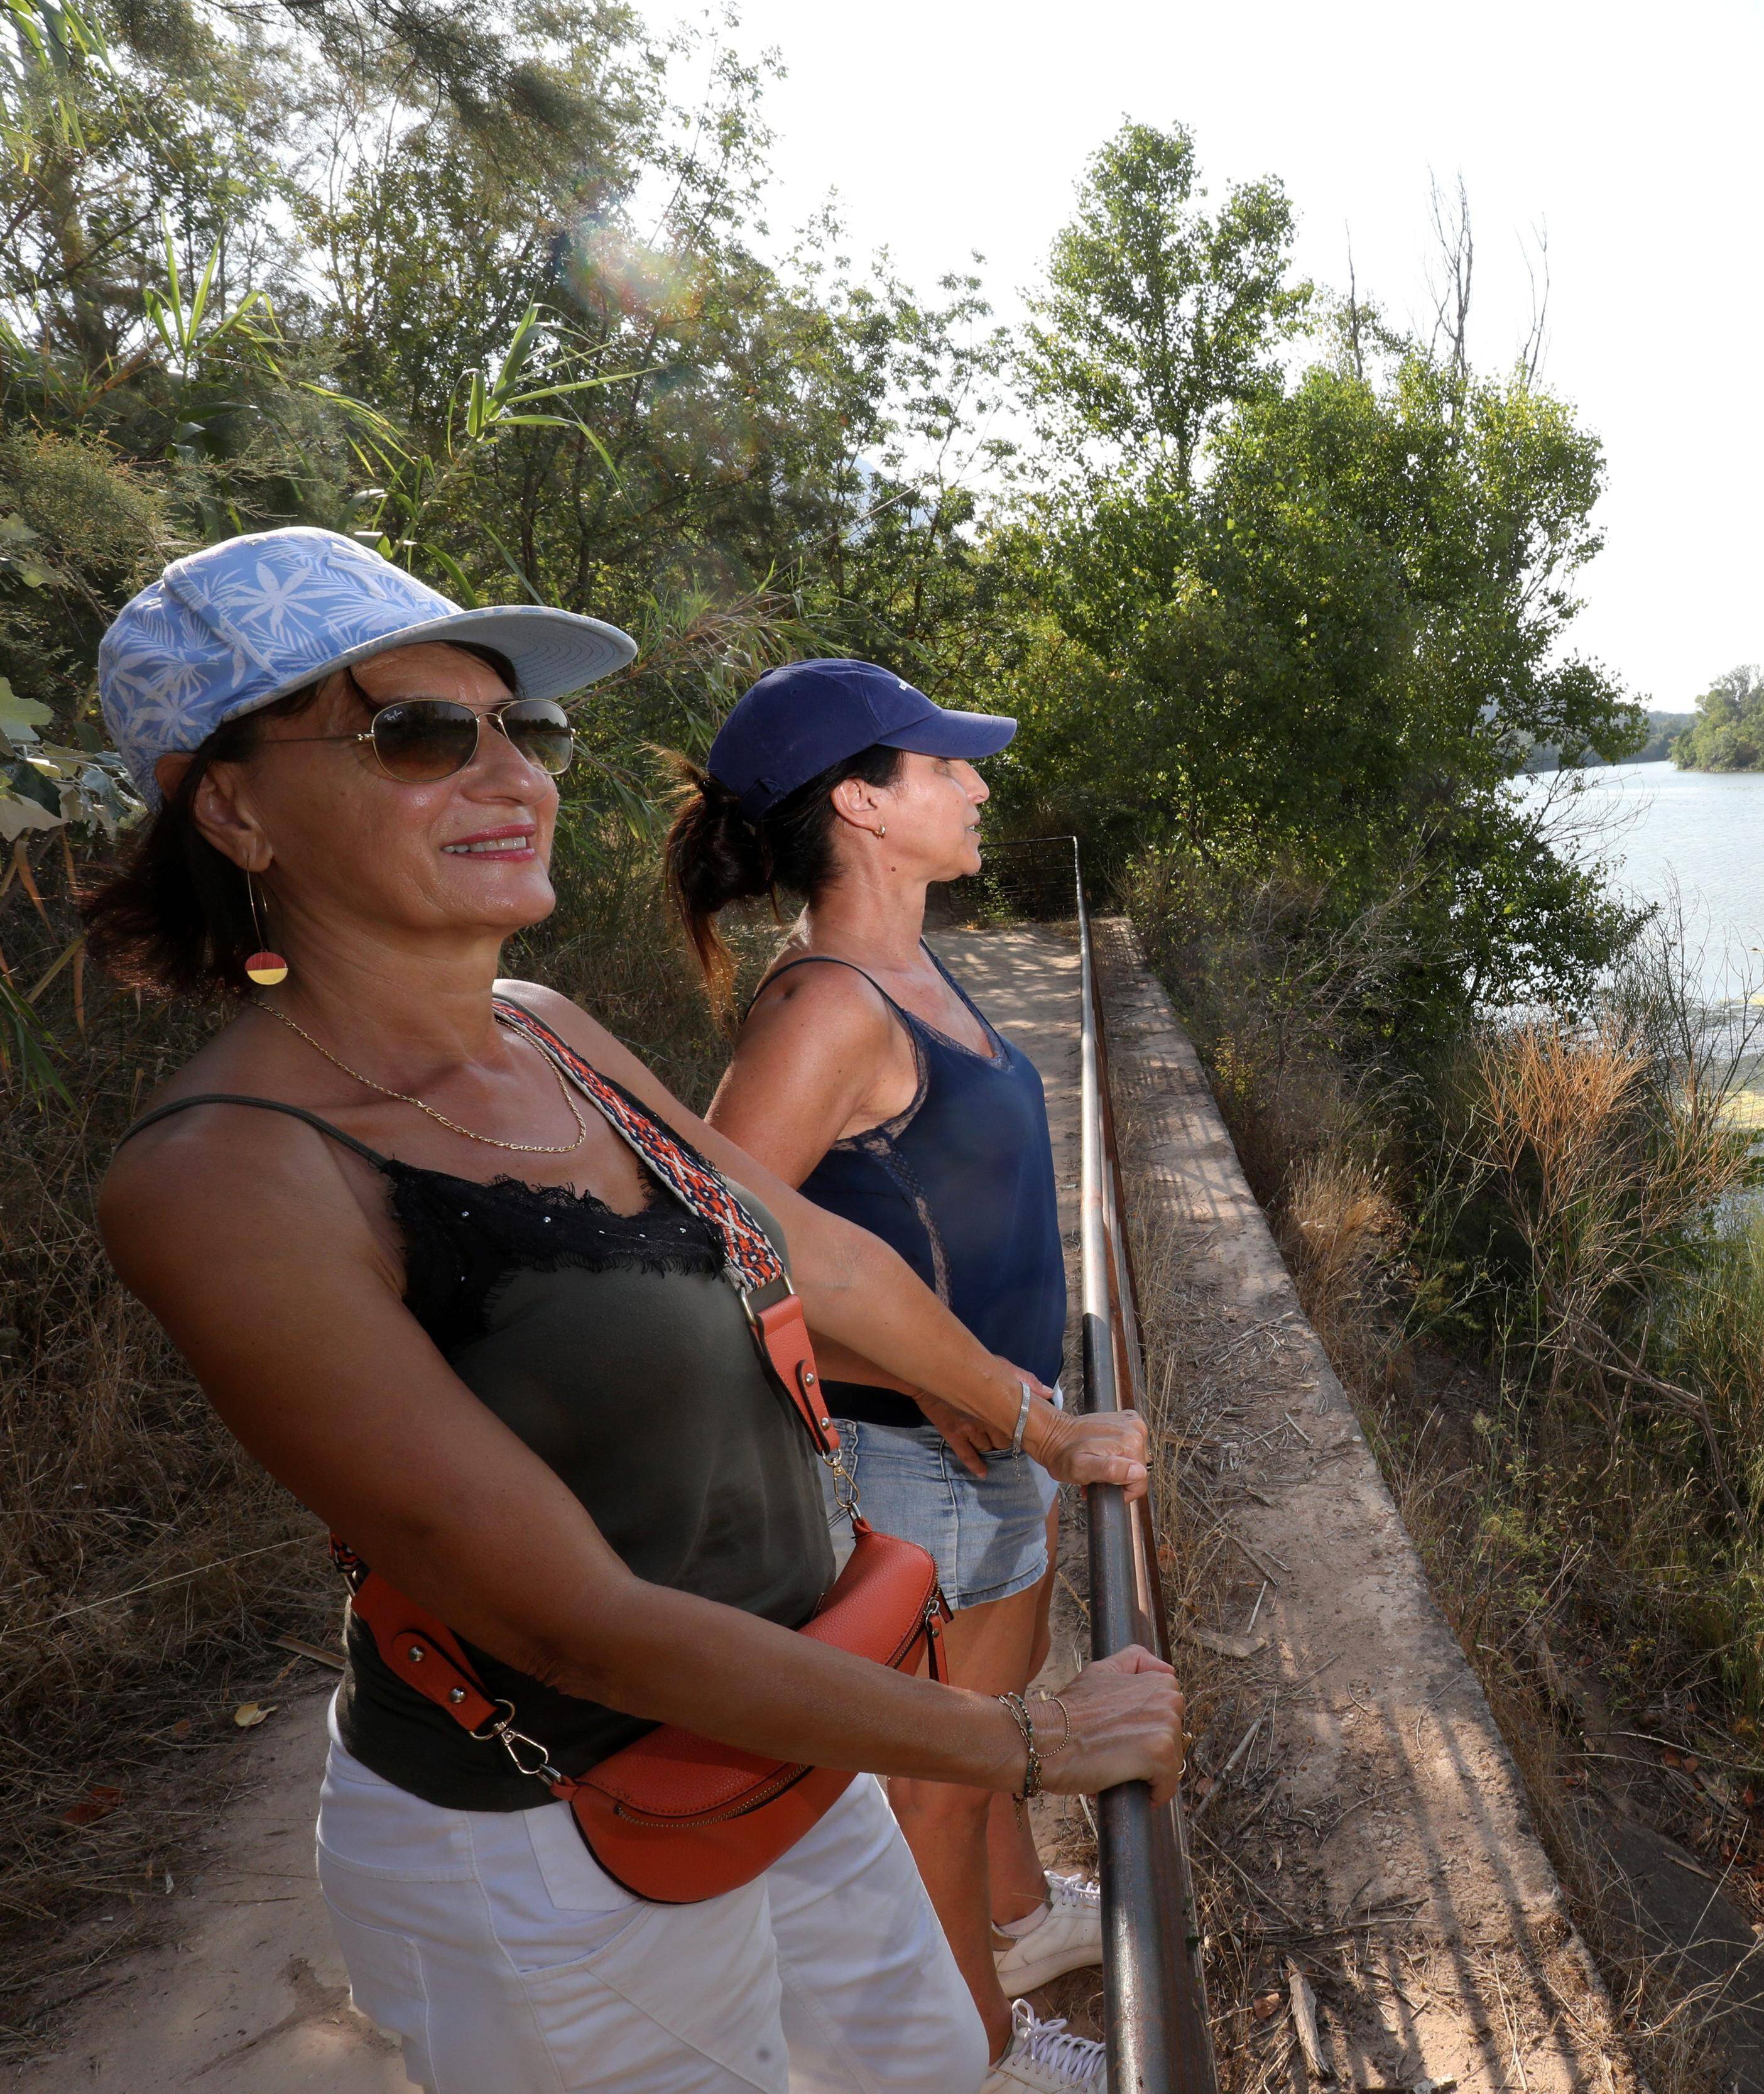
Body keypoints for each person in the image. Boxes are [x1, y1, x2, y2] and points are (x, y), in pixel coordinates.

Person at [85, 528, 1170, 2094]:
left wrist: (1044, 1424)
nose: (510, 773)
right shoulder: (229, 1171)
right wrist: (1026, 1746)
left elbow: (817, 1253)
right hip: (544, 1853)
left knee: (925, 2063)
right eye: (416, 733)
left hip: (794, 1727)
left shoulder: (548, 1029)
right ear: (236, 802)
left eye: (521, 726)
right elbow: (561, 1614)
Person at [665, 658, 1091, 2053]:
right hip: (915, 1460)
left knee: (984, 1736)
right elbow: (721, 1250)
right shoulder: (828, 1007)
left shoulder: (904, 960)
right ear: (861, 799)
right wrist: (931, 1378)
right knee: (936, 1785)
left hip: (979, 1435)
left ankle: (1018, 1928)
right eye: (944, 764)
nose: (977, 783)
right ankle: (976, 2061)